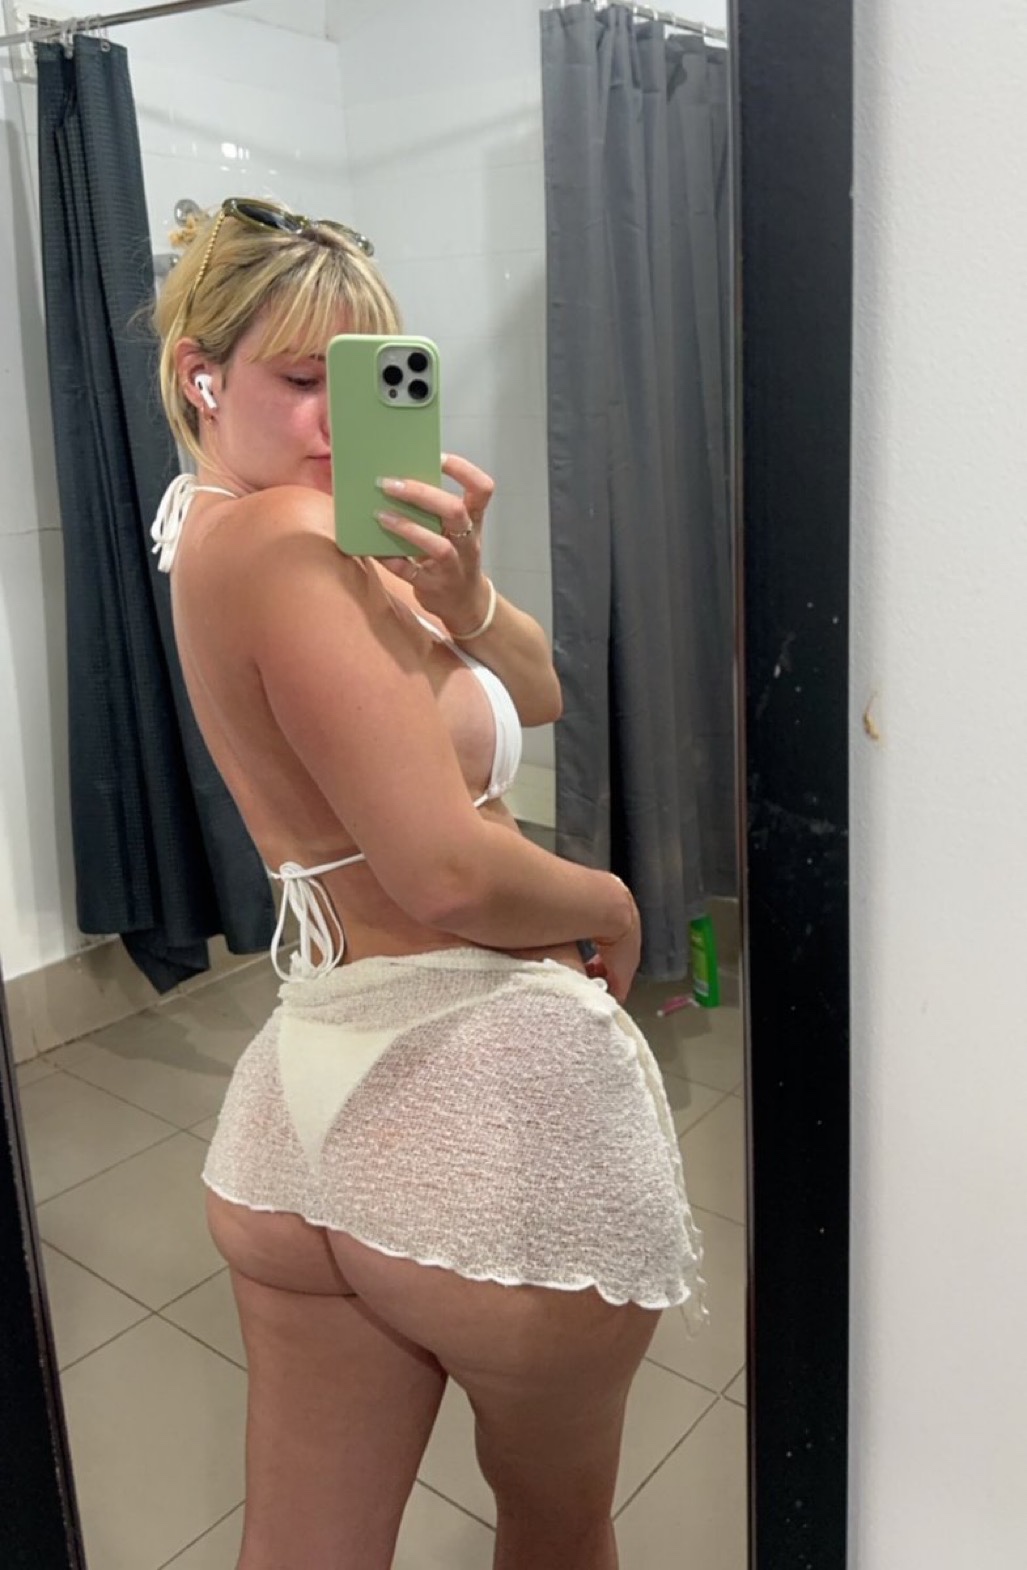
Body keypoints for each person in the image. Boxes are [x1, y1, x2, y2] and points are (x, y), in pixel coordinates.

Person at [151, 196, 705, 1570]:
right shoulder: (292, 542)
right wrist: (608, 901)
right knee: (557, 1526)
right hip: (473, 1092)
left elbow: (541, 693)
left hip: (302, 1105)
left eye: (361, 379)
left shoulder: (220, 530)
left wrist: (461, 596)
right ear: (198, 376)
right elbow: (448, 871)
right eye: (301, 379)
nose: (337, 423)